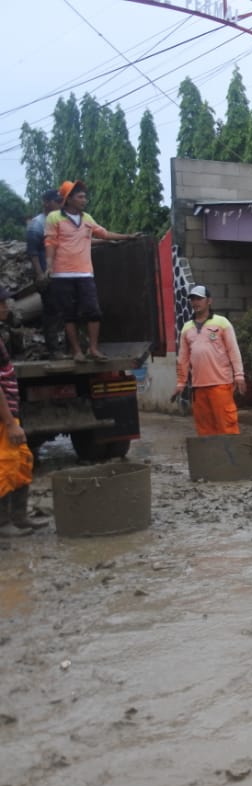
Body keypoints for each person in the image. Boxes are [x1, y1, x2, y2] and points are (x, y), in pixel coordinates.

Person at [44, 180, 144, 363]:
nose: (85, 200)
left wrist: (127, 237)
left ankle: (93, 348)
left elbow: (104, 234)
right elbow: (50, 243)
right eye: (80, 197)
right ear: (69, 199)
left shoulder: (87, 219)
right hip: (62, 274)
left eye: (84, 196)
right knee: (69, 315)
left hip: (84, 273)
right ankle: (76, 351)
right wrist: (49, 266)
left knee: (93, 311)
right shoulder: (54, 218)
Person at [0, 285, 49, 536]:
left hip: (9, 413)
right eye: (2, 303)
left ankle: (19, 516)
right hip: (3, 418)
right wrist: (9, 423)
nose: (6, 306)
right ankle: (4, 522)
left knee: (22, 461)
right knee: (6, 464)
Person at [174, 285, 246, 436]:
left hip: (220, 384)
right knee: (205, 430)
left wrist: (239, 375)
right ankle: (211, 459)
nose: (195, 302)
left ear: (209, 301)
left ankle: (230, 459)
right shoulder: (187, 328)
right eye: (193, 299)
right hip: (198, 387)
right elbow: (183, 358)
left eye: (199, 298)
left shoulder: (222, 323)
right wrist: (181, 383)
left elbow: (233, 350)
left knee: (226, 426)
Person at [26, 189, 64, 356]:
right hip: (47, 276)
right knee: (52, 312)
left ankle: (66, 347)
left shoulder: (60, 221)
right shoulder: (37, 224)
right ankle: (54, 350)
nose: (60, 204)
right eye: (57, 201)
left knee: (64, 311)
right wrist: (40, 274)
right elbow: (33, 252)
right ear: (47, 203)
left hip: (63, 274)